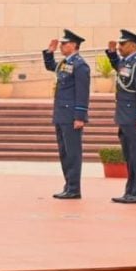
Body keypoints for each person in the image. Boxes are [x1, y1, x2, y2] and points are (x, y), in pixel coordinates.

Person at [105, 29, 136, 203]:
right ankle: (130, 190)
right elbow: (119, 68)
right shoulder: (127, 63)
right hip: (124, 116)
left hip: (133, 117)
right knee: (129, 156)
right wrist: (111, 54)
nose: (119, 47)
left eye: (122, 44)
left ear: (133, 45)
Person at [43, 29, 89, 199]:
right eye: (61, 44)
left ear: (74, 45)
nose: (62, 46)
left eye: (64, 44)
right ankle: (68, 185)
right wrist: (49, 52)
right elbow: (50, 66)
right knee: (64, 152)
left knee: (73, 153)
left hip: (71, 116)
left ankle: (74, 188)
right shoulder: (65, 63)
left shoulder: (80, 65)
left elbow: (82, 92)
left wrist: (80, 117)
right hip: (61, 114)